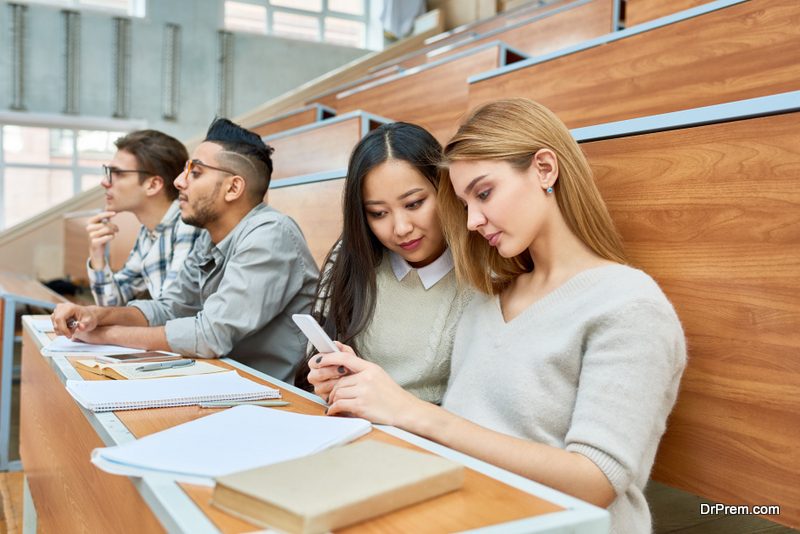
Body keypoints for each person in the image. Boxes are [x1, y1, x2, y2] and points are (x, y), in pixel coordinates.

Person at [308, 99, 686, 533]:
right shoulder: (489, 300)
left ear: (545, 169)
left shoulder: (628, 305)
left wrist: (413, 412)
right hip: (457, 511)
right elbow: (467, 432)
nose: (471, 221)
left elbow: (596, 481)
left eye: (484, 194)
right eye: (465, 203)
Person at [52, 118, 318, 381]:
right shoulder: (209, 238)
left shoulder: (270, 234)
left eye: (196, 172)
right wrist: (96, 315)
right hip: (226, 380)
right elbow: (169, 309)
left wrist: (101, 335)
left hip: (275, 396)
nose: (179, 181)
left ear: (233, 187)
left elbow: (210, 335)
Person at [300, 122, 472, 404]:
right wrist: (327, 379)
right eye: (379, 213)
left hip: (433, 439)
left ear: (445, 187)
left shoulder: (482, 264)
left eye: (414, 203)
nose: (401, 228)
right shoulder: (350, 257)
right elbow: (315, 362)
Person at [87, 130, 203, 306]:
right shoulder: (149, 231)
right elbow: (111, 302)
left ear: (153, 184)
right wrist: (97, 256)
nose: (105, 182)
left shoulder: (187, 225)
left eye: (118, 173)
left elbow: (172, 310)